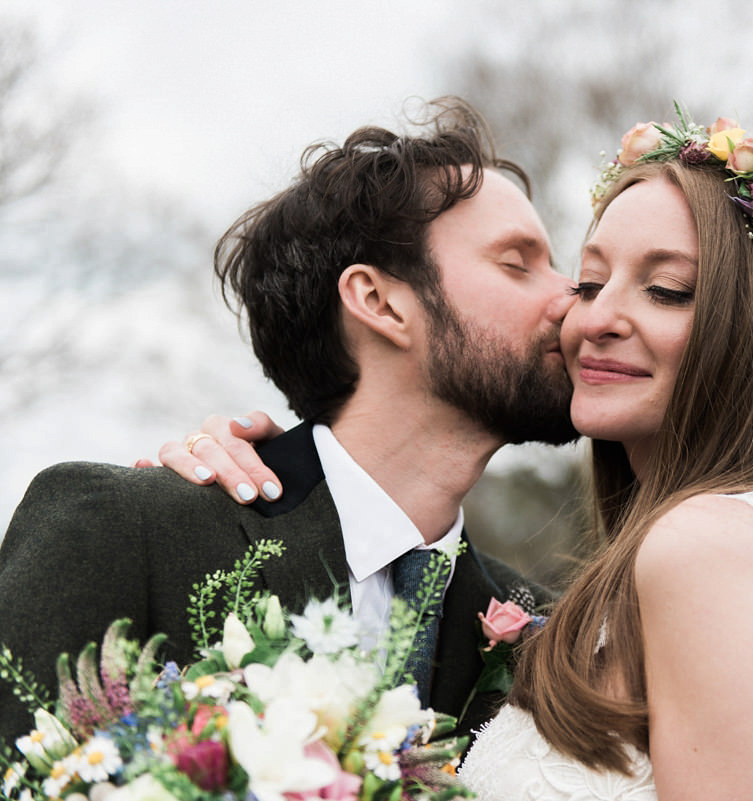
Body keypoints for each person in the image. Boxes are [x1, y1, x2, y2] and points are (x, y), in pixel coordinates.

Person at [164, 108, 753, 799]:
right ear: (377, 302)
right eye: (592, 279)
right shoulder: (550, 623)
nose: (581, 310)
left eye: (666, 289)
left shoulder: (707, 548)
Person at [0, 97, 577, 747]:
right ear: (380, 301)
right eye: (517, 262)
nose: (571, 295)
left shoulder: (538, 631)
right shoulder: (119, 531)